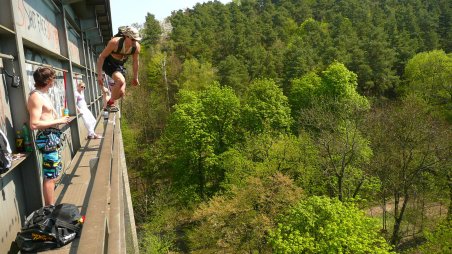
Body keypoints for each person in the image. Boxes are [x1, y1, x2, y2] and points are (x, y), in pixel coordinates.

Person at [27, 67, 70, 206]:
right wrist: (59, 121)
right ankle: (49, 209)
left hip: (53, 137)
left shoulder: (43, 94)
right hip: (47, 138)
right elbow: (34, 124)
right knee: (50, 176)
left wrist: (58, 118)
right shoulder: (36, 97)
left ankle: (51, 204)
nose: (54, 81)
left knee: (54, 173)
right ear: (48, 80)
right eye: (53, 78)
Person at [96, 26, 141, 112]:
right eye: (133, 39)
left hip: (119, 65)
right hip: (108, 63)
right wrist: (99, 75)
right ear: (126, 37)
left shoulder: (136, 47)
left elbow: (135, 62)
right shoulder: (114, 43)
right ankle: (110, 103)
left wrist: (135, 77)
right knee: (120, 80)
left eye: (136, 40)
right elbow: (101, 57)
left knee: (121, 92)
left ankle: (110, 100)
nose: (135, 42)